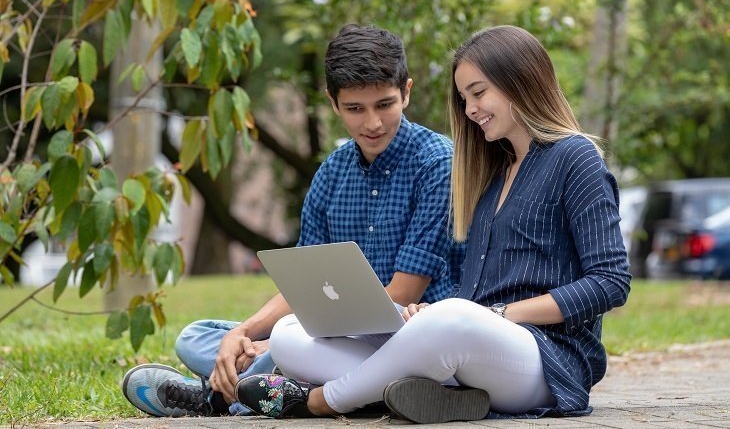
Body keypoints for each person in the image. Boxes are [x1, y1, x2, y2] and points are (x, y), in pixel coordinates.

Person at [234, 25, 632, 423]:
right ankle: (427, 395)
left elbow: (611, 282)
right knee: (289, 335)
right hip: (470, 349)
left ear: (521, 82)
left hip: (547, 359)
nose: (471, 109)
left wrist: (496, 315)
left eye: (478, 93)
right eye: (464, 98)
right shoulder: (493, 173)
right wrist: (424, 316)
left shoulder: (575, 157)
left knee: (451, 318)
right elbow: (473, 293)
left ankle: (320, 400)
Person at [120, 24, 466, 417]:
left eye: (384, 104)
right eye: (355, 109)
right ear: (332, 103)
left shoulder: (438, 164)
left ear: (406, 91)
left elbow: (403, 292)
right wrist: (244, 334)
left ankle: (216, 397)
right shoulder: (331, 174)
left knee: (286, 341)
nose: (372, 123)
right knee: (195, 337)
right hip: (332, 337)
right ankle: (273, 386)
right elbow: (307, 289)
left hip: (409, 338)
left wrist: (281, 341)